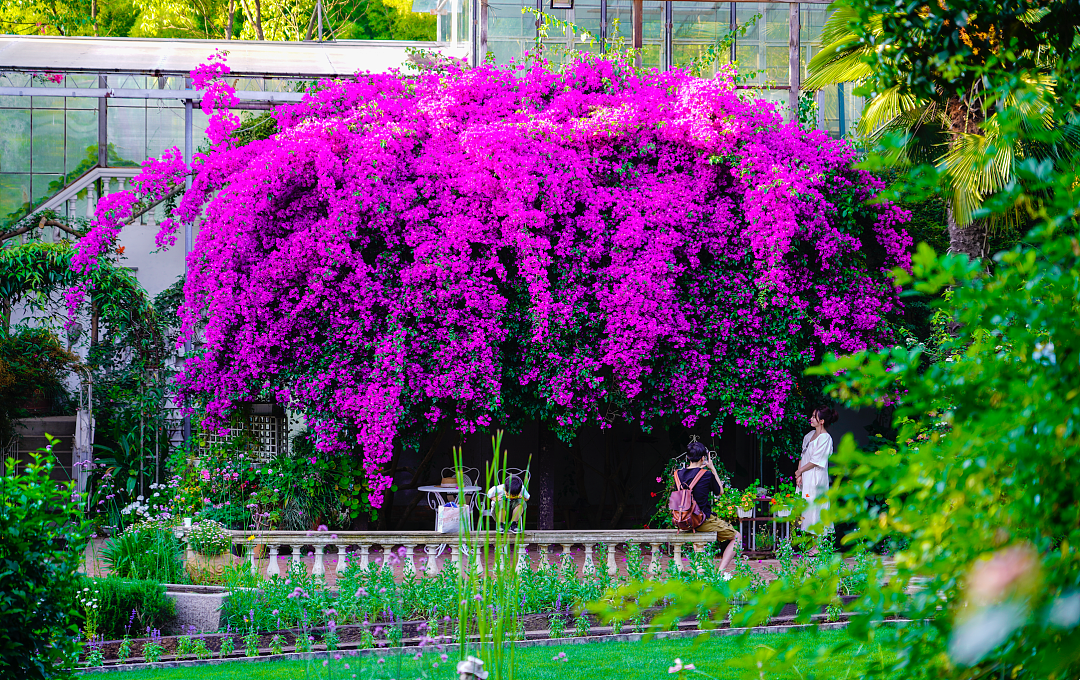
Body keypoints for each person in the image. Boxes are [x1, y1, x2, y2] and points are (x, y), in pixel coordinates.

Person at [677, 441, 741, 575]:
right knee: (737, 537)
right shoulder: (706, 474)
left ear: (688, 457)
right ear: (703, 458)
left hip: (682, 520)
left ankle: (700, 570)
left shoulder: (677, 474)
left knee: (698, 537)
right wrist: (713, 468)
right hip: (702, 520)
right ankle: (720, 573)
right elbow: (720, 491)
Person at [795, 406, 838, 534]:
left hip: (816, 480)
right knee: (806, 508)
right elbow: (802, 456)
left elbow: (816, 461)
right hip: (806, 479)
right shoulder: (808, 436)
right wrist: (799, 476)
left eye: (814, 417)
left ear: (822, 421)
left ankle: (818, 545)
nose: (811, 419)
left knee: (816, 508)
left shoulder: (825, 438)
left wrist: (799, 471)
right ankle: (811, 543)